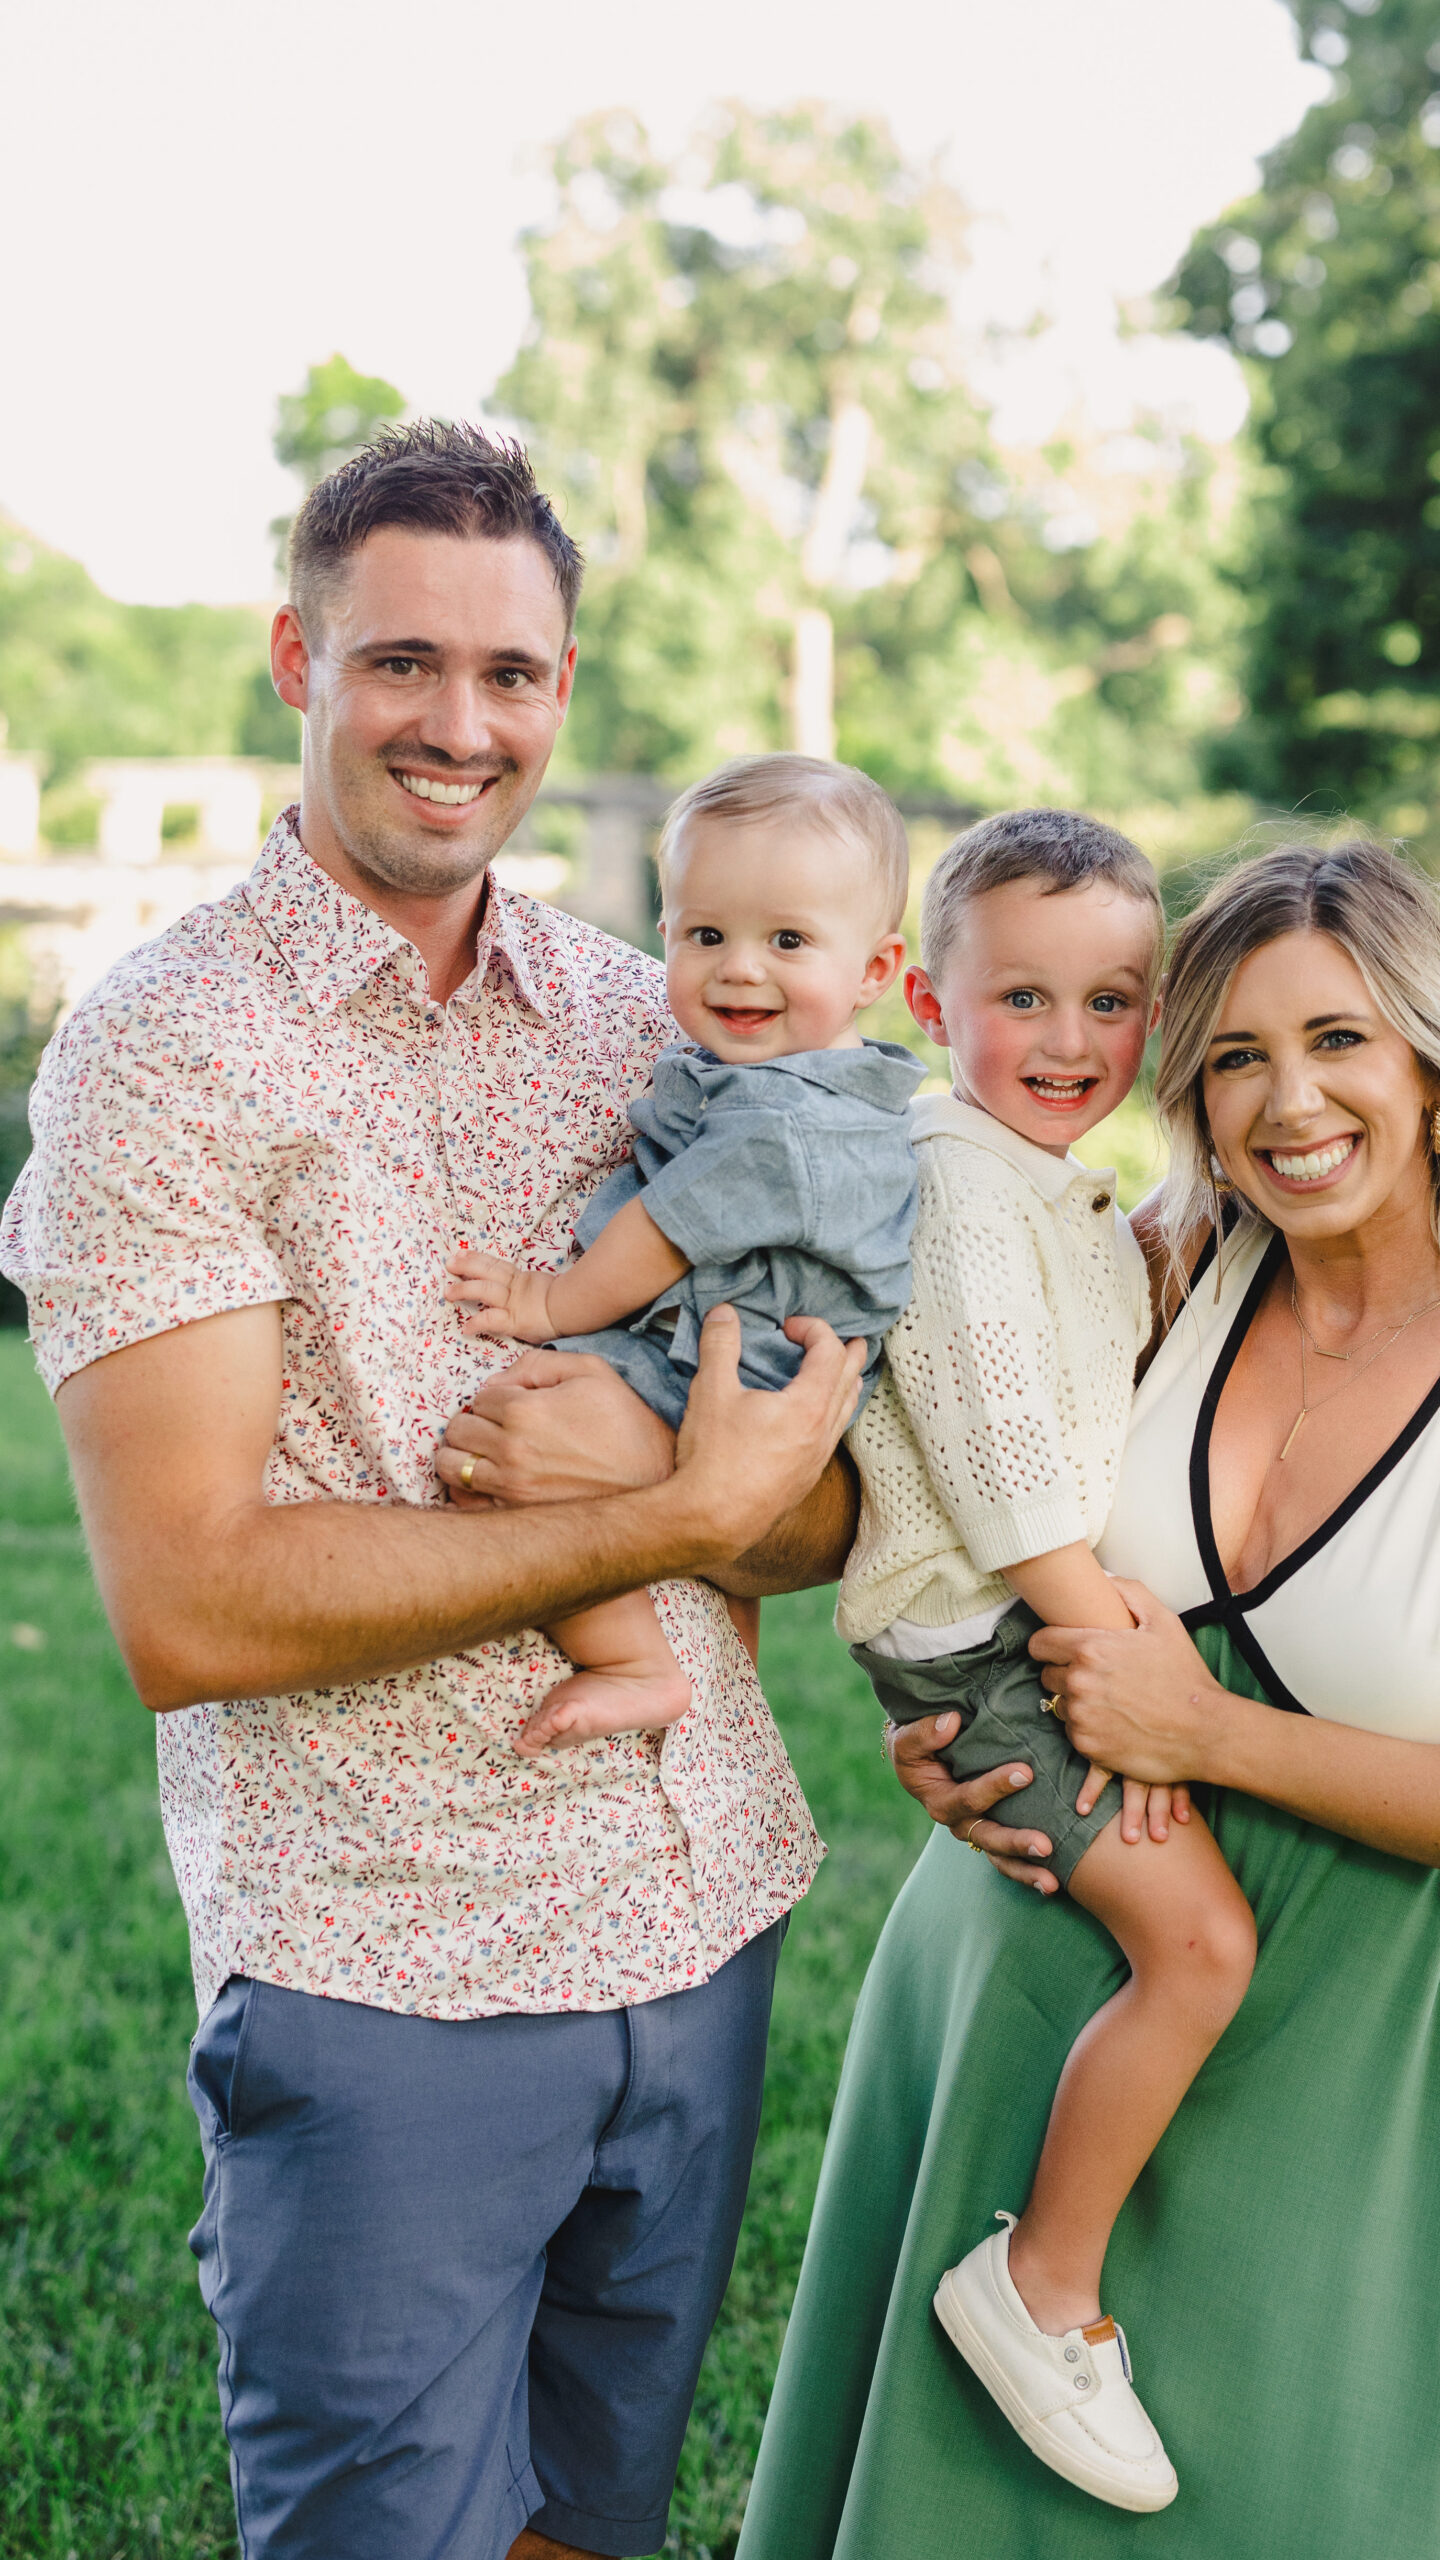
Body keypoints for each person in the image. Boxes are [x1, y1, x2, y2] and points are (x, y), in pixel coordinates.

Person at [0, 422, 865, 2560]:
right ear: (295, 656)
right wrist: (657, 1519)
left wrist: (688, 1469)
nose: (458, 724)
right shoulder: (159, 1052)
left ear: (564, 691)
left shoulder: (650, 1011)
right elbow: (190, 1602)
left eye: (511, 674)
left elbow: (824, 1511)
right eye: (402, 662)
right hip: (391, 1969)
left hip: (700, 1910)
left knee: (597, 2524)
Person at [734, 837, 1440, 2560]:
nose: (1287, 1100)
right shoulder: (1167, 1262)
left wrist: (1214, 1736)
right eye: (1234, 1054)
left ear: (1430, 1055)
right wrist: (937, 1726)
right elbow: (940, 1478)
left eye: (1337, 1040)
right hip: (1014, 1983)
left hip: (1332, 2038)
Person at [836, 810, 1255, 2511]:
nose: (1070, 1042)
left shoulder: (1052, 1188)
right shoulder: (952, 1188)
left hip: (1041, 1614)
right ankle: (1039, 2287)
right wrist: (1157, 1702)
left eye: (1111, 1000)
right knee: (1202, 1943)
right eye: (1023, 997)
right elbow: (1012, 1493)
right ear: (932, 1002)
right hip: (1003, 1639)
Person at [447, 752, 921, 1751]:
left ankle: (635, 1657)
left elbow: (662, 1234)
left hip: (738, 1368)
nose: (740, 966)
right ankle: (694, 1657)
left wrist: (547, 1304)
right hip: (750, 1353)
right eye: (706, 934)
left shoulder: (782, 1127)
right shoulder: (812, 1084)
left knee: (509, 1447)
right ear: (664, 933)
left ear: (877, 969)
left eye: (788, 939)